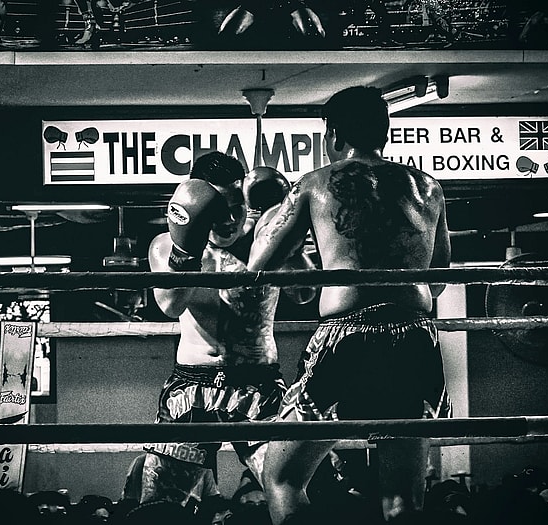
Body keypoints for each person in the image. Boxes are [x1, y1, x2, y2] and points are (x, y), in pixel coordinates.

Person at [247, 86, 452, 524]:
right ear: (387, 130)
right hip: (416, 335)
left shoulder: (316, 183)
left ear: (333, 133)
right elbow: (440, 273)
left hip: (348, 336)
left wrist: (264, 213)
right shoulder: (428, 188)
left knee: (280, 478)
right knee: (403, 500)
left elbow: (259, 264)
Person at [143, 151, 314, 510]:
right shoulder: (165, 246)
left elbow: (305, 292)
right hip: (191, 387)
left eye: (237, 206)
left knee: (293, 489)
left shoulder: (265, 240)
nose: (230, 219)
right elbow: (170, 304)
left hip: (258, 384)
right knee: (159, 503)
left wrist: (286, 228)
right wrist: (186, 245)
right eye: (217, 209)